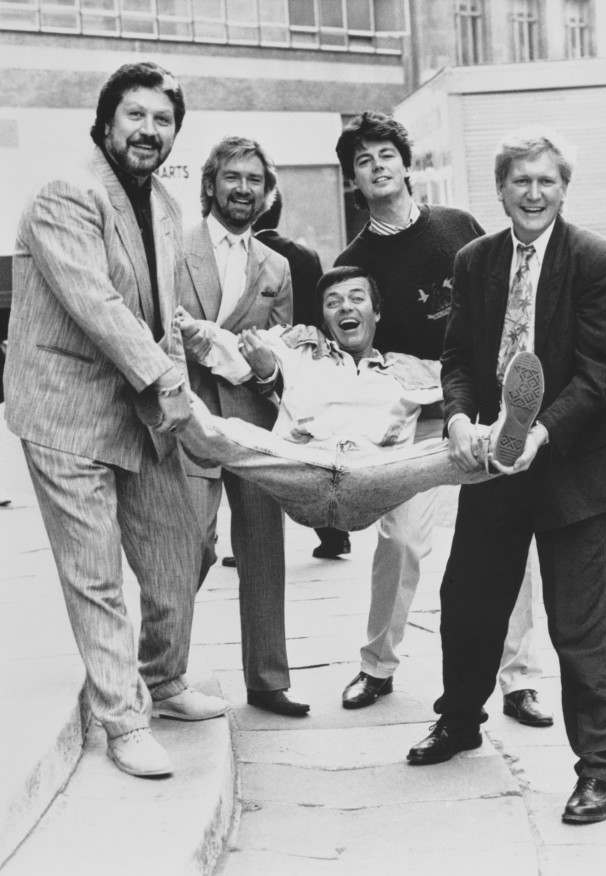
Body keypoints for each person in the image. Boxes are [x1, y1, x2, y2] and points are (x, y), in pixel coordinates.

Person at [406, 127, 606, 826]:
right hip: (491, 464)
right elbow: (454, 360)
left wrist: (540, 431)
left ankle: (599, 770)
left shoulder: (599, 262)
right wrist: (454, 421)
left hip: (569, 467)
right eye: (520, 181)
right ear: (500, 189)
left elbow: (603, 374)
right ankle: (459, 722)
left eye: (546, 181)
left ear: (563, 189)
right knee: (469, 604)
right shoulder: (476, 261)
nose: (532, 193)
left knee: (579, 628)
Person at [3, 62, 226, 779]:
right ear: (106, 123)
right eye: (136, 116)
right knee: (94, 572)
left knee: (180, 546)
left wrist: (181, 390)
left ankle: (162, 681)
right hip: (64, 409)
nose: (149, 131)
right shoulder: (65, 191)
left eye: (163, 121)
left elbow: (159, 318)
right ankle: (122, 717)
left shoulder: (163, 202)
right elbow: (97, 304)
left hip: (139, 406)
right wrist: (167, 383)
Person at [333, 111, 552, 728]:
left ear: (405, 163)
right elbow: (352, 343)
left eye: (385, 155)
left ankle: (520, 679)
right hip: (414, 419)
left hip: (486, 409)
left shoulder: (459, 227)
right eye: (363, 162)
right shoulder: (354, 259)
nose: (377, 167)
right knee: (399, 540)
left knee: (509, 542)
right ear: (354, 180)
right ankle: (377, 665)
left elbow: (508, 294)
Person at [175, 268, 544, 527]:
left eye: (356, 298)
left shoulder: (410, 370)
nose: (345, 307)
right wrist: (191, 329)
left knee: (455, 448)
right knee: (233, 435)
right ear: (323, 316)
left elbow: (466, 383)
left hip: (374, 475)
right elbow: (227, 347)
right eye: (333, 302)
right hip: (300, 466)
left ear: (376, 312)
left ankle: (500, 444)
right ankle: (169, 395)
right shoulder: (298, 346)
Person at [180, 136, 309, 717]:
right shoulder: (173, 248)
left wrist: (262, 369)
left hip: (254, 423)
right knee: (188, 549)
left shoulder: (276, 267)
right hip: (187, 415)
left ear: (266, 191)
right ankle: (164, 673)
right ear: (210, 185)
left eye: (254, 180)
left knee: (262, 547)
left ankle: (268, 679)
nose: (242, 188)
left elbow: (283, 362)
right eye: (231, 177)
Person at [252, 190, 349, 561]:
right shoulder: (305, 254)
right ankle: (333, 531)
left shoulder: (255, 257)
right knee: (313, 445)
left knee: (266, 449)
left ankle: (258, 541)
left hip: (267, 360)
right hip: (309, 358)